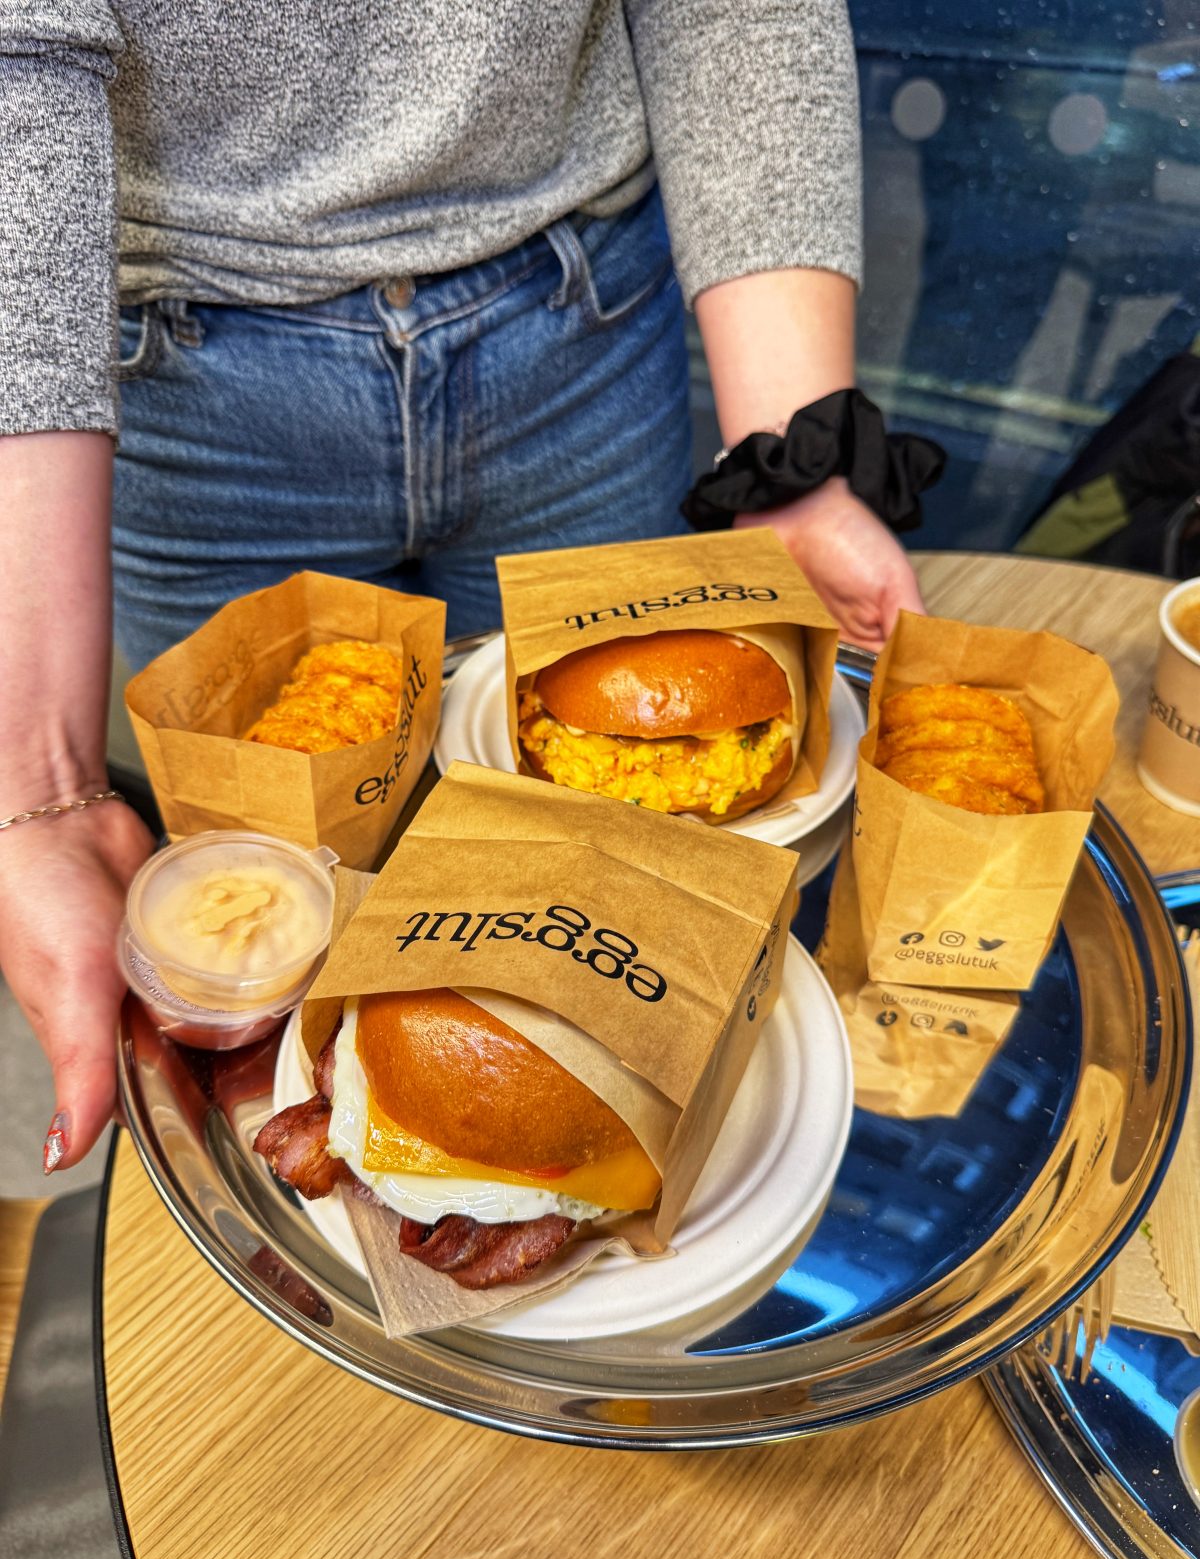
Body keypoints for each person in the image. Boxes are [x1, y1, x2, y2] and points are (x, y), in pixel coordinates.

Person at [0, 0, 924, 1175]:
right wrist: (42, 798)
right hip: (181, 385)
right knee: (281, 979)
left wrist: (793, 466)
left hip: (577, 327)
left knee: (622, 911)